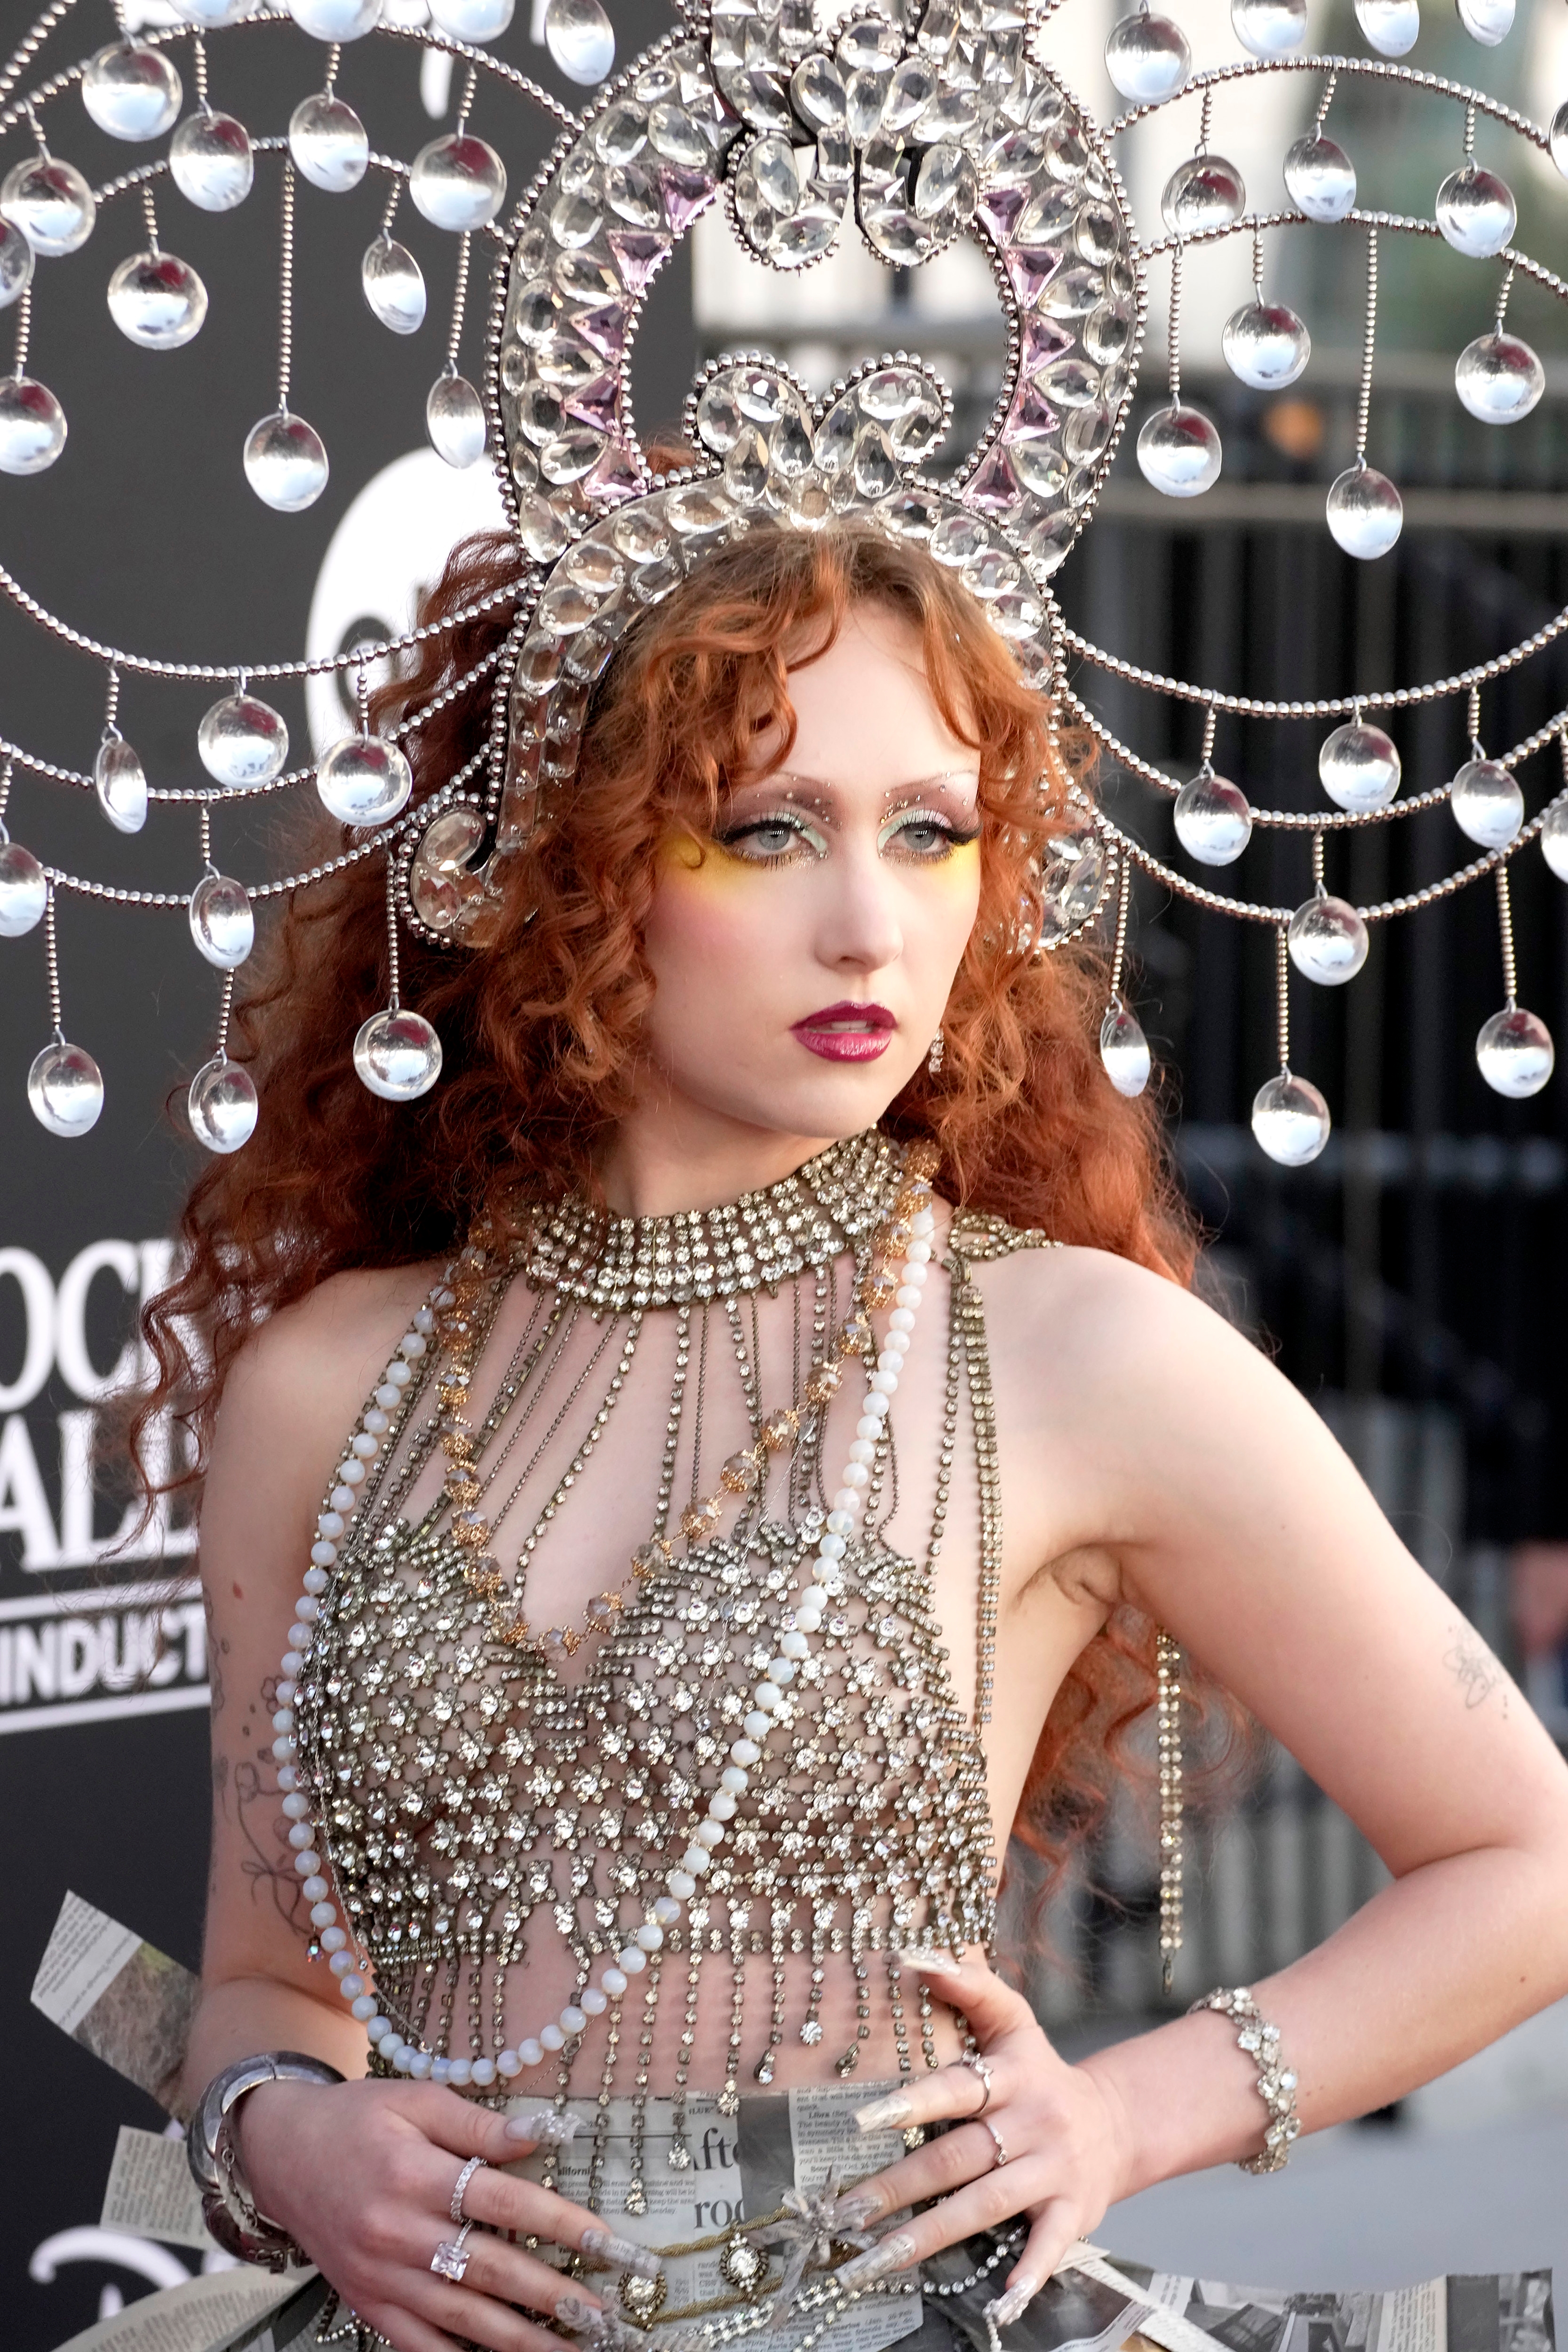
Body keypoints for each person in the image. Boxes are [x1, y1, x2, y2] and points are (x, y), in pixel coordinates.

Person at [139, 522, 1568, 2352]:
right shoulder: (325, 1384)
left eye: (929, 829)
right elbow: (262, 1983)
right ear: (564, 861)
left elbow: (1527, 1858)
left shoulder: (1075, 1351)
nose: (871, 923)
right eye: (765, 829)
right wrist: (288, 2134)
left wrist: (1131, 2111)